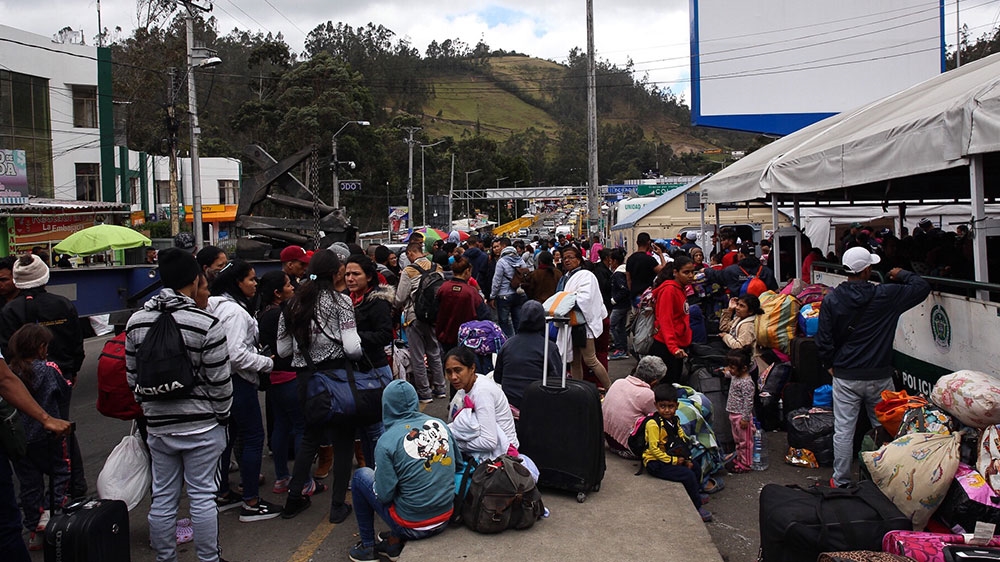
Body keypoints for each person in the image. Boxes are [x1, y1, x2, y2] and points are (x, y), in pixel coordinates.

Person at [125, 248, 232, 562]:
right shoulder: (205, 322)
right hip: (202, 425)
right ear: (195, 280)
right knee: (202, 498)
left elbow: (133, 377)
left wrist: (150, 410)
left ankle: (165, 558)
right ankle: (209, 558)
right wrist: (222, 417)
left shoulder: (136, 322)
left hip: (158, 426)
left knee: (163, 498)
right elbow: (220, 382)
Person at [816, 247, 931, 488]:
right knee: (884, 427)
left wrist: (829, 365)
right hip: (879, 374)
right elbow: (922, 287)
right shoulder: (886, 295)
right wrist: (902, 274)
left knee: (844, 430)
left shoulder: (832, 299)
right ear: (867, 269)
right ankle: (887, 478)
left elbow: (824, 338)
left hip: (846, 374)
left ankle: (841, 480)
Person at [277, 249, 362, 522]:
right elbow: (352, 347)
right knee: (344, 440)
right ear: (335, 272)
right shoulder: (341, 302)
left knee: (310, 438)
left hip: (306, 380)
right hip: (337, 378)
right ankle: (337, 506)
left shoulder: (292, 305)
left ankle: (293, 499)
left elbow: (282, 350)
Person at [0, 254, 86, 498]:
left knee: (27, 430)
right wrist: (73, 370)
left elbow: (6, 349)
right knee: (63, 427)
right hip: (61, 375)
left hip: (19, 379)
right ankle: (73, 487)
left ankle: (35, 501)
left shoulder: (9, 310)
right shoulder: (62, 304)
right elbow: (75, 341)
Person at [347, 380, 461, 562]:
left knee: (361, 477)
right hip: (446, 516)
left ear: (386, 406)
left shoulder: (386, 441)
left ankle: (367, 547)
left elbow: (384, 495)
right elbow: (459, 463)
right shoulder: (440, 424)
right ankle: (393, 541)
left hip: (413, 525)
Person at [208, 260, 278, 522]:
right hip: (238, 382)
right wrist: (266, 363)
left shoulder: (215, 306)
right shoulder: (235, 313)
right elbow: (236, 354)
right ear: (237, 283)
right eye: (250, 279)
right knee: (252, 437)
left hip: (221, 382)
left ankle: (223, 493)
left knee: (228, 436)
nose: (255, 283)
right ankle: (250, 500)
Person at [7, 324, 69, 550]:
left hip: (20, 438)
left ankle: (34, 527)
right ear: (41, 348)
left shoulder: (10, 372)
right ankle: (52, 513)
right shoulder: (49, 369)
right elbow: (63, 389)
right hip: (48, 435)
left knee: (29, 483)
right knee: (60, 472)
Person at [256, 271, 303, 497]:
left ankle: (282, 477)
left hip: (274, 377)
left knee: (282, 427)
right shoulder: (280, 314)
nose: (292, 287)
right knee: (302, 427)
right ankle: (303, 480)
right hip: (290, 375)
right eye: (287, 285)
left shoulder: (263, 313)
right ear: (277, 293)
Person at [444, 347, 529, 471]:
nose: (453, 377)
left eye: (458, 370)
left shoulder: (482, 392)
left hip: (503, 454)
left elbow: (489, 442)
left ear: (472, 368)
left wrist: (457, 444)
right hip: (489, 442)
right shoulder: (467, 386)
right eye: (449, 372)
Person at [344, 254, 394, 467]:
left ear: (369, 277)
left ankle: (381, 474)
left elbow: (385, 335)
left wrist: (353, 336)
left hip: (374, 372)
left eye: (356, 274)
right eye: (347, 274)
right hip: (355, 373)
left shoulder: (378, 302)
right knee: (363, 427)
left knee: (375, 429)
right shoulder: (348, 300)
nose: (350, 278)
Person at [642, 383, 712, 522]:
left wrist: (687, 458)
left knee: (695, 468)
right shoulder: (653, 424)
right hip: (655, 462)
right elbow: (653, 449)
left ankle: (696, 493)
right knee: (687, 475)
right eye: (663, 406)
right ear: (656, 405)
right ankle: (696, 507)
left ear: (677, 406)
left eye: (670, 406)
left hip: (671, 455)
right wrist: (674, 461)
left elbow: (681, 440)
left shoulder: (675, 420)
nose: (667, 410)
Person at [394, 241, 448, 404]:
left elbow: (400, 298)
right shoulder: (437, 267)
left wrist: (396, 307)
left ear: (411, 253)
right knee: (434, 351)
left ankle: (424, 392)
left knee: (417, 355)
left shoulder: (409, 270)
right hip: (433, 316)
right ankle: (440, 388)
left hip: (414, 317)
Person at [493, 300, 563, 410]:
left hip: (509, 404)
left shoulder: (507, 344)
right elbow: (557, 381)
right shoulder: (548, 347)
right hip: (537, 404)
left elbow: (498, 377)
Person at [558, 245, 610, 389]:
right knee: (574, 360)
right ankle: (578, 391)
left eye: (570, 257)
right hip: (571, 323)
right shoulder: (567, 277)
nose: (567, 260)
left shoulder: (586, 275)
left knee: (590, 359)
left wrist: (566, 301)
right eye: (564, 258)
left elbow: (585, 299)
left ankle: (610, 389)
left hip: (584, 324)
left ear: (579, 259)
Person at [602, 356, 662, 458]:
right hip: (628, 446)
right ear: (654, 382)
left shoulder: (619, 382)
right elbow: (660, 416)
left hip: (609, 438)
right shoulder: (647, 394)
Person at [649, 256, 696, 384]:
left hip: (676, 346)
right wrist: (673, 347)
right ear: (675, 272)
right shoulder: (669, 290)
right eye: (686, 272)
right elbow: (666, 321)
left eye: (692, 272)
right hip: (666, 347)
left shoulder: (681, 289)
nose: (691, 275)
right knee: (667, 386)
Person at [435, 258, 485, 353]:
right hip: (467, 337)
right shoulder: (471, 292)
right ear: (467, 271)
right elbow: (484, 314)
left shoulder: (443, 288)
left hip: (444, 335)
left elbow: (435, 310)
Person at [723, 348, 754, 474]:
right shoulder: (736, 376)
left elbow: (749, 401)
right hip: (733, 414)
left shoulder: (747, 383)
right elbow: (729, 374)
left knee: (745, 442)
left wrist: (745, 418)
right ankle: (739, 459)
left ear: (744, 368)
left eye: (733, 368)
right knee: (738, 440)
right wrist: (725, 371)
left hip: (741, 416)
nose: (731, 370)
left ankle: (746, 464)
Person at [490, 238, 526, 337]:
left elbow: (497, 281)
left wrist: (492, 296)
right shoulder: (521, 260)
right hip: (518, 293)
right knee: (517, 319)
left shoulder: (501, 262)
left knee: (504, 321)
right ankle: (520, 340)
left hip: (504, 295)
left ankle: (508, 340)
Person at [626, 232, 665, 305]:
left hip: (634, 296)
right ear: (649, 243)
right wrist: (660, 254)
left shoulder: (630, 259)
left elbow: (628, 279)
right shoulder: (649, 259)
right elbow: (664, 270)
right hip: (647, 296)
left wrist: (632, 291)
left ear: (637, 243)